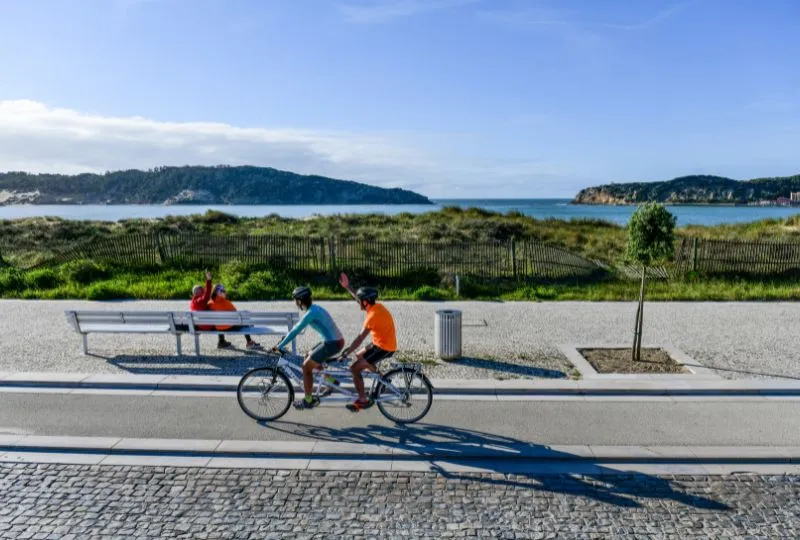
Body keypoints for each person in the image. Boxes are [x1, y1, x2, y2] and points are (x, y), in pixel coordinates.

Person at [273, 286, 345, 410]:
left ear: (300, 301)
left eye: (296, 300)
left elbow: (296, 330)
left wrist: (280, 346)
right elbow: (296, 327)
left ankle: (308, 400)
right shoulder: (314, 309)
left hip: (332, 343)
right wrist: (284, 340)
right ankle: (331, 381)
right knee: (308, 356)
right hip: (333, 341)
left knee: (306, 367)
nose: (295, 303)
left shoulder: (311, 313)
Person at [339, 273, 397, 412]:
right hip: (380, 343)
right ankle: (383, 380)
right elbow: (358, 299)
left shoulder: (372, 316)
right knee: (359, 356)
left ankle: (363, 400)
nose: (359, 302)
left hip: (383, 348)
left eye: (361, 300)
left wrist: (346, 352)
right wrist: (348, 287)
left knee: (354, 368)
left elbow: (359, 338)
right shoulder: (376, 307)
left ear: (366, 302)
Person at [208, 284, 261, 350]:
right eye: (223, 291)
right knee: (244, 322)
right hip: (229, 327)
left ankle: (221, 342)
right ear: (219, 293)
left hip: (217, 327)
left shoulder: (209, 303)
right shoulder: (227, 303)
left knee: (220, 322)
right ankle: (249, 342)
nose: (225, 292)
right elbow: (236, 315)